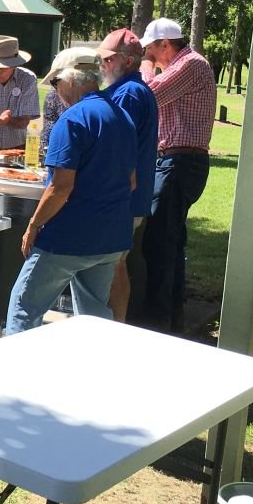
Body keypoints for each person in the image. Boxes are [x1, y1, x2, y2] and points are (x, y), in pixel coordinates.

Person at [4, 49, 136, 333]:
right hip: (110, 237)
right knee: (94, 318)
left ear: (70, 79)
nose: (55, 91)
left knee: (24, 308)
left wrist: (34, 224)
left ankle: (12, 374)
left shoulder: (73, 119)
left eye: (55, 83)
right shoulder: (122, 116)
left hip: (68, 237)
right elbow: (132, 181)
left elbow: (60, 187)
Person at [138, 17, 216, 331]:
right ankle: (172, 314)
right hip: (177, 162)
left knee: (158, 242)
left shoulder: (192, 65)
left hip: (179, 163)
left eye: (151, 50)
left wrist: (144, 67)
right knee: (170, 240)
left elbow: (149, 95)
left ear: (165, 44)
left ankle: (158, 320)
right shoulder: (184, 65)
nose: (150, 56)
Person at [97, 29, 159, 323]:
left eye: (109, 59)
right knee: (115, 263)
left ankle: (116, 326)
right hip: (129, 194)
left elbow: (117, 142)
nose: (103, 65)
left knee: (114, 264)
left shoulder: (129, 93)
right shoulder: (130, 89)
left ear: (129, 61)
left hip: (124, 195)